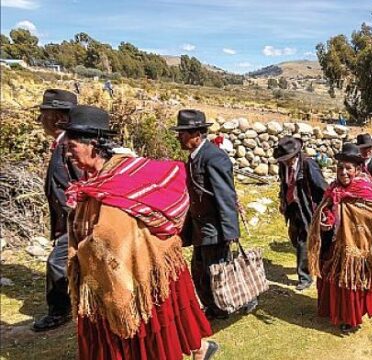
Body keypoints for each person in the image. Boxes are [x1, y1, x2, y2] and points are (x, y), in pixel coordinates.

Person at [63, 105, 217, 360]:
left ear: (92, 144)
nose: (69, 155)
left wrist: (84, 250)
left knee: (146, 325)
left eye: (72, 148)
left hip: (139, 268)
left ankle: (198, 350)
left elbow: (111, 237)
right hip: (119, 269)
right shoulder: (96, 182)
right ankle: (200, 350)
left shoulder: (123, 177)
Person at [308, 143, 372, 332]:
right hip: (335, 244)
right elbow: (327, 209)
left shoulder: (364, 188)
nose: (343, 172)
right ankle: (335, 312)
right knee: (334, 279)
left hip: (358, 249)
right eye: (340, 168)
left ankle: (350, 318)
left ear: (357, 169)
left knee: (352, 283)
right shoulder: (334, 189)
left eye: (348, 168)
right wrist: (325, 219)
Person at [172, 109, 244, 320]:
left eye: (182, 133)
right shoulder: (195, 157)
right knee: (200, 272)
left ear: (197, 134)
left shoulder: (214, 157)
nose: (179, 137)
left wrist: (231, 232)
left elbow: (225, 196)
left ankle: (224, 307)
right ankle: (213, 308)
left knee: (216, 272)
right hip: (200, 229)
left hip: (214, 229)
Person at [31, 89, 82, 332]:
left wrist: (75, 216)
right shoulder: (62, 144)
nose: (41, 120)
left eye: (45, 114)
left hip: (74, 219)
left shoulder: (70, 147)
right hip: (68, 220)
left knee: (57, 263)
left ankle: (60, 311)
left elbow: (82, 181)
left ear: (57, 117)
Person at [275, 136, 327, 291]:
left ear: (295, 154)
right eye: (284, 159)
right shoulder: (282, 165)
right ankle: (311, 264)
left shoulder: (308, 165)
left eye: (288, 158)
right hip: (292, 208)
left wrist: (324, 208)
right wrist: (283, 201)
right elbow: (284, 185)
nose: (286, 161)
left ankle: (305, 277)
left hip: (306, 207)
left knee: (303, 241)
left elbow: (322, 187)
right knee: (295, 238)